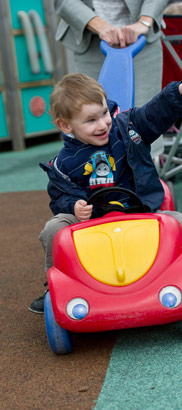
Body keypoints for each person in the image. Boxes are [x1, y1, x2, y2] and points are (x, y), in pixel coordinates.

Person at [29, 73, 182, 314]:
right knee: (53, 228)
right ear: (66, 125)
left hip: (139, 212)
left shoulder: (127, 129)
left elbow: (154, 112)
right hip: (92, 222)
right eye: (90, 120)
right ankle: (55, 288)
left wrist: (178, 92)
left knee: (179, 221)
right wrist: (74, 206)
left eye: (103, 113)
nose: (102, 124)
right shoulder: (64, 163)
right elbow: (60, 197)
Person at [53, 0, 169, 106]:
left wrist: (144, 22)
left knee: (144, 116)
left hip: (141, 42)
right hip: (91, 43)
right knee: (92, 113)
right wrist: (99, 26)